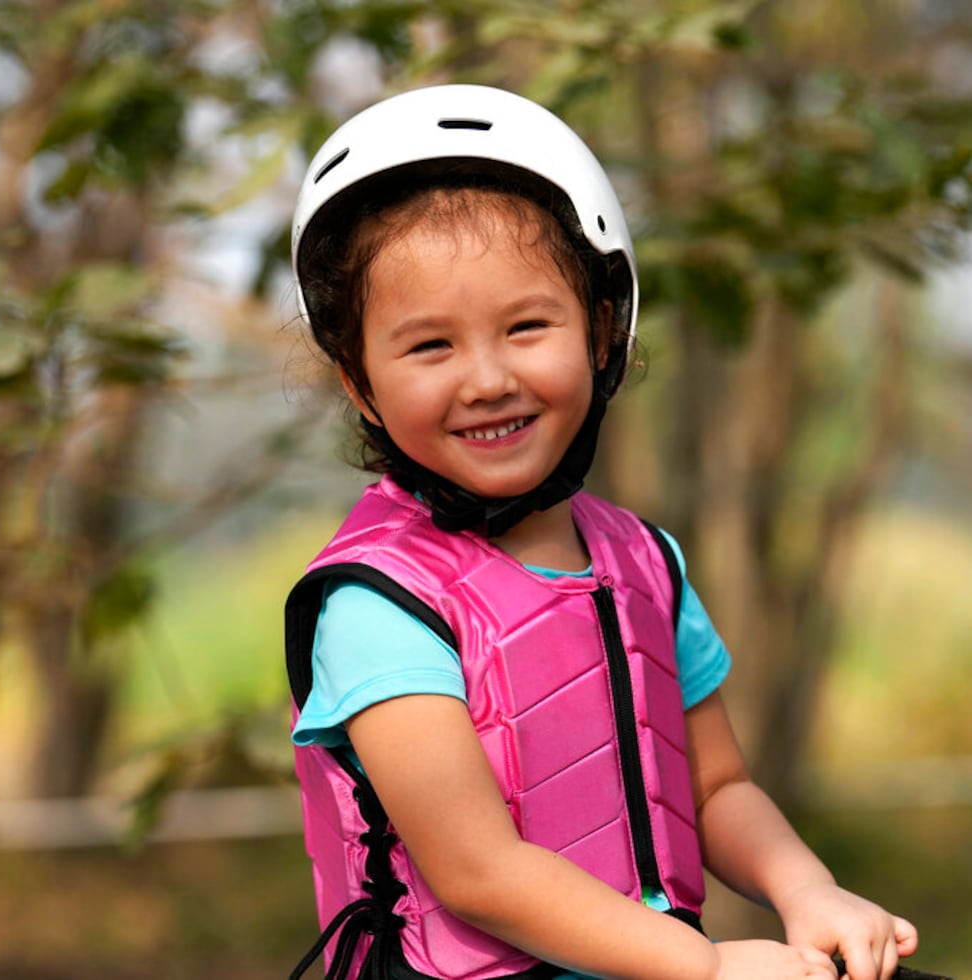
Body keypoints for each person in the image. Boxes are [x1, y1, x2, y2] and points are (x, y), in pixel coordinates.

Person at [283, 84, 918, 980]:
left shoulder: (644, 562)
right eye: (431, 347)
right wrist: (707, 968)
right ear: (359, 383)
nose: (488, 379)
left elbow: (717, 786)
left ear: (603, 329)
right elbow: (479, 873)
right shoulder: (378, 605)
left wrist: (809, 891)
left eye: (527, 326)